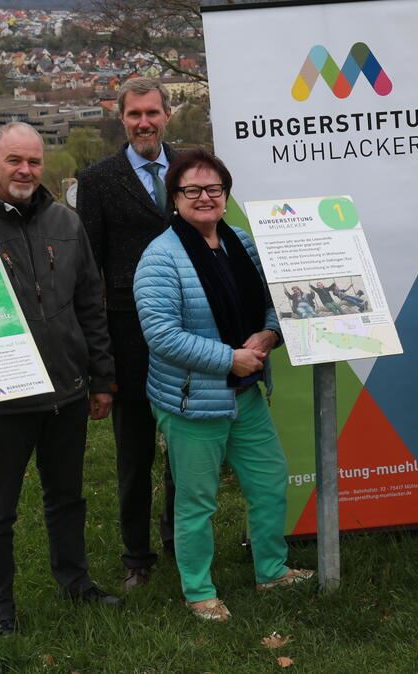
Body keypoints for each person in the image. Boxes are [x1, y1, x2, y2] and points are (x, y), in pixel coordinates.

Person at [0, 122, 122, 635]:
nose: (25, 170)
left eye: (34, 161)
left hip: (67, 391)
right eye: (14, 160)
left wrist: (102, 378)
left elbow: (91, 301)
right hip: (3, 400)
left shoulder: (66, 221)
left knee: (67, 496)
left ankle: (76, 584)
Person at [134, 149, 313, 621]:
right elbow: (160, 334)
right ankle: (199, 593)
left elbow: (278, 299)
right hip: (192, 402)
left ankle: (272, 571)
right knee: (196, 502)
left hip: (246, 393)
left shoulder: (241, 242)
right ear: (175, 198)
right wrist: (227, 359)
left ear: (226, 195)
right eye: (191, 190)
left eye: (213, 188)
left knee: (271, 481)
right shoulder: (160, 257)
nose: (204, 197)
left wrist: (270, 333)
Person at [78, 77, 176, 589]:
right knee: (135, 454)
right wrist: (101, 362)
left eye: (152, 113)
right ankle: (137, 555)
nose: (144, 122)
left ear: (167, 115)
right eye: (135, 114)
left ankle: (180, 539)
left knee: (185, 447)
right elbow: (87, 271)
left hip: (187, 333)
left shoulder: (189, 171)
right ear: (122, 119)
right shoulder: (97, 181)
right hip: (128, 337)